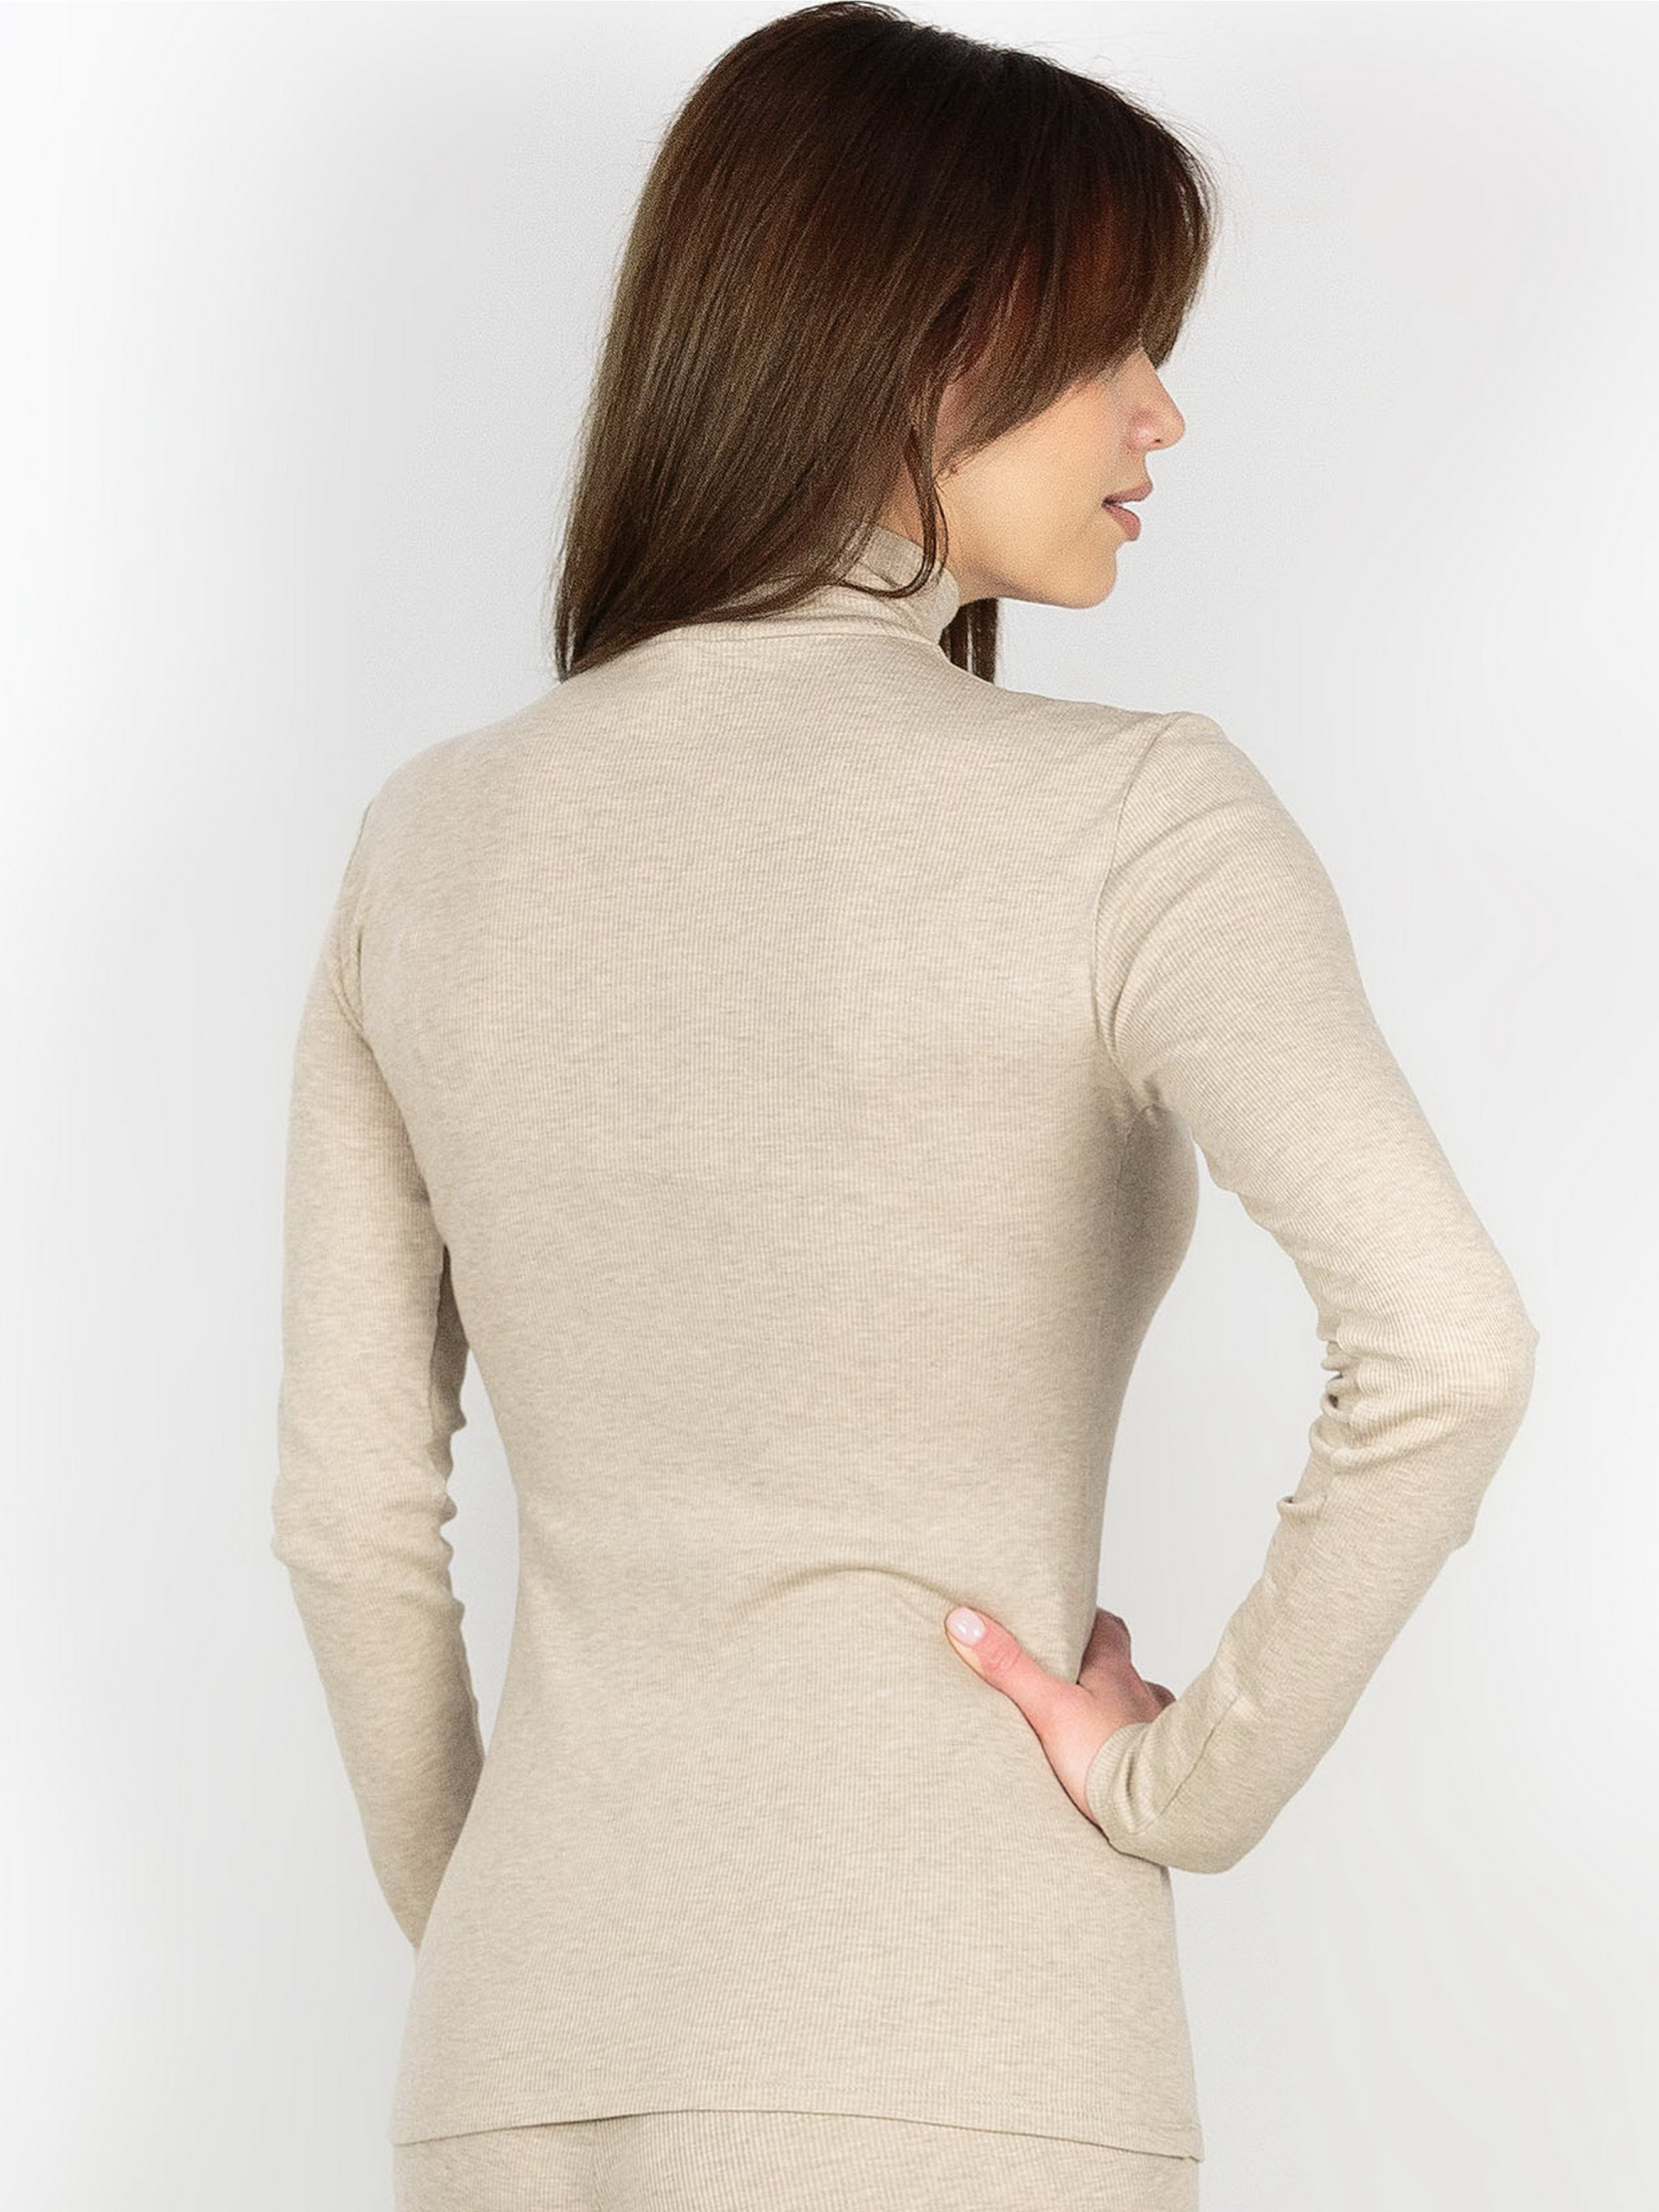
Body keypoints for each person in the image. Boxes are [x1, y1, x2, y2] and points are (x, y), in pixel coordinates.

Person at [270, 6, 1539, 2209]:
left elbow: (349, 1519)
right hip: (960, 2057)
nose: (1159, 410)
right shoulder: (1136, 820)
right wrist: (1179, 1793)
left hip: (510, 2070)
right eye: (1106, 343)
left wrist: (511, 1943)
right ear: (905, 338)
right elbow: (1447, 1350)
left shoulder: (430, 840)